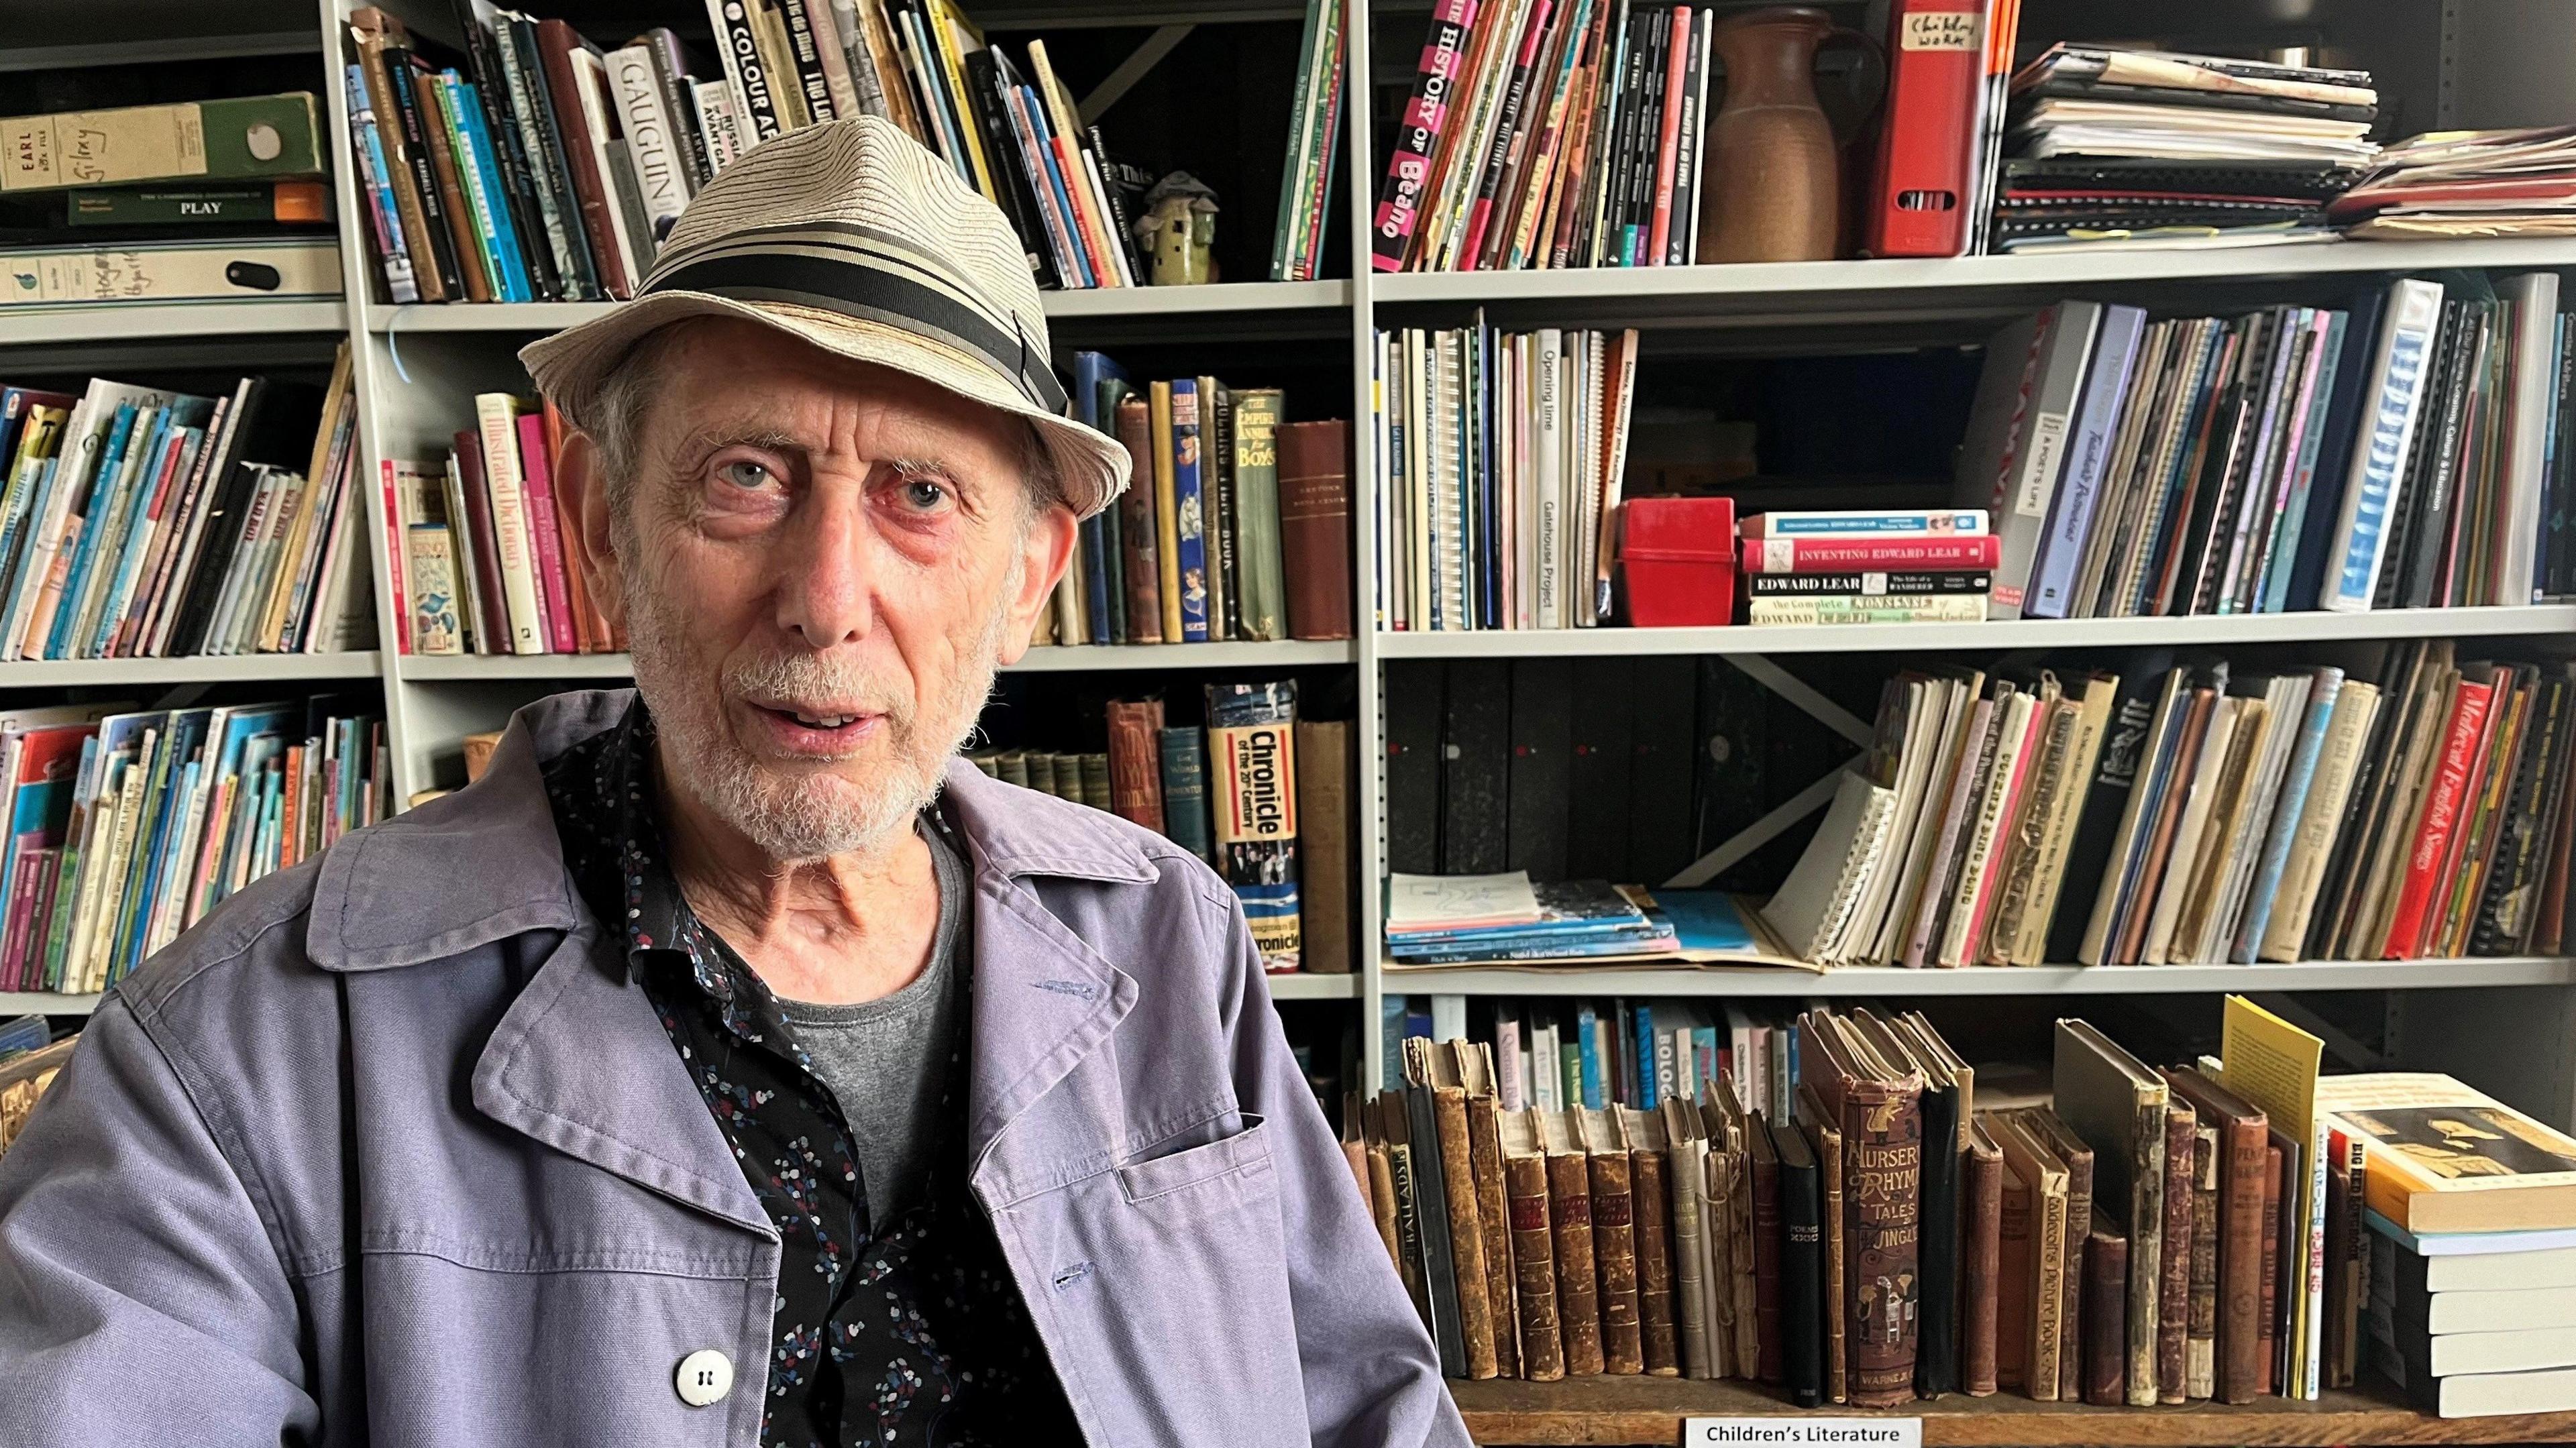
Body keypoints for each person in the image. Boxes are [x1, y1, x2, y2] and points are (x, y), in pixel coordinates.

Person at [0, 117, 1464, 1447]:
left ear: (1028, 582)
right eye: (746, 479)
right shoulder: (239, 1052)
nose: (825, 600)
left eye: (922, 495)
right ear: (602, 530)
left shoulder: (1170, 937)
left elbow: (1365, 1410)